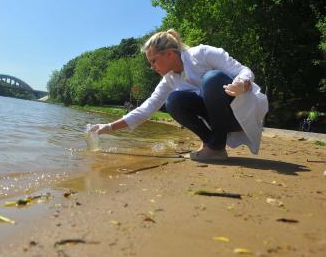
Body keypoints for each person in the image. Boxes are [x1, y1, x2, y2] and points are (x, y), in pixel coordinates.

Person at [89, 29, 268, 161]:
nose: (152, 67)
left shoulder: (202, 53)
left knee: (211, 79)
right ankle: (210, 142)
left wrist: (241, 84)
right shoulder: (169, 80)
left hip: (238, 115)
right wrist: (108, 127)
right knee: (173, 101)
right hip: (218, 121)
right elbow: (146, 109)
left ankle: (216, 147)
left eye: (153, 61)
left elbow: (244, 70)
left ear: (169, 54)